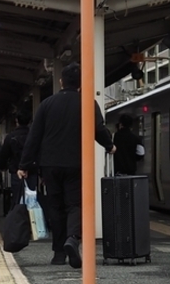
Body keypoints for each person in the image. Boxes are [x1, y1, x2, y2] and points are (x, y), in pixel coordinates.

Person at [17, 63, 114, 269]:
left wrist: (24, 164)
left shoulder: (47, 104)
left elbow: (34, 137)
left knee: (56, 206)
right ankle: (72, 238)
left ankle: (59, 253)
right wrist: (110, 146)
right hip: (77, 163)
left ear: (61, 81)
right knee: (75, 204)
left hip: (50, 164)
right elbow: (99, 129)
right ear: (80, 84)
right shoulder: (88, 103)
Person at [1, 110, 31, 205]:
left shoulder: (11, 137)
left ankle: (19, 216)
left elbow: (4, 154)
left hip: (16, 171)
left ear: (17, 121)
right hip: (31, 171)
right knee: (32, 196)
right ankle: (32, 217)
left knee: (17, 196)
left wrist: (3, 167)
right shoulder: (33, 135)